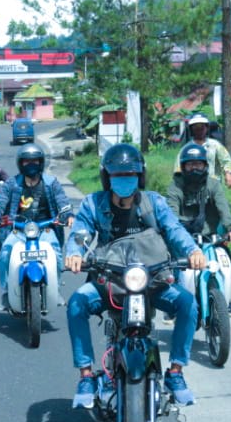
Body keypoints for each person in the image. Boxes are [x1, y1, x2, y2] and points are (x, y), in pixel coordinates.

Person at [63, 144, 206, 408]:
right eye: (118, 175)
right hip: (109, 281)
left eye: (130, 174)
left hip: (152, 280)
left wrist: (193, 251)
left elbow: (174, 230)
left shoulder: (155, 202)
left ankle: (176, 371)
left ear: (140, 176)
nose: (124, 179)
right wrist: (74, 253)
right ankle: (86, 375)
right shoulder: (94, 203)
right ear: (107, 177)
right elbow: (79, 232)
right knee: (76, 304)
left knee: (187, 303)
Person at [0, 143, 72, 310]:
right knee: (5, 254)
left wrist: (68, 216)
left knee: (56, 253)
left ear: (41, 162)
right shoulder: (12, 183)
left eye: (35, 161)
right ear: (20, 163)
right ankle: (6, 292)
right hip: (18, 229)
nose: (31, 165)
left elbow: (62, 201)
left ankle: (56, 288)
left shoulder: (51, 183)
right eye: (27, 161)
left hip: (45, 228)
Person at [165, 142, 231, 317]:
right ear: (183, 167)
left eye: (198, 164)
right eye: (190, 165)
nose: (194, 168)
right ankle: (173, 298)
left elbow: (223, 208)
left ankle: (226, 297)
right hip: (184, 236)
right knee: (171, 260)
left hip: (210, 236)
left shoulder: (213, 184)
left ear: (205, 166)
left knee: (225, 256)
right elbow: (171, 214)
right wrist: (176, 233)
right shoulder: (175, 186)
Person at [185, 113, 231, 188]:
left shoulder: (215, 145)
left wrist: (228, 174)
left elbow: (226, 161)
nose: (199, 129)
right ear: (191, 129)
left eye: (202, 126)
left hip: (213, 186)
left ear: (206, 128)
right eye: (196, 127)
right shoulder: (187, 148)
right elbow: (179, 168)